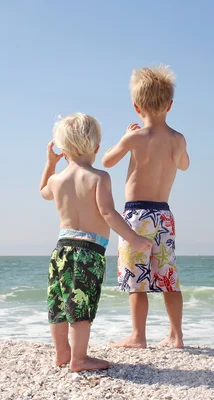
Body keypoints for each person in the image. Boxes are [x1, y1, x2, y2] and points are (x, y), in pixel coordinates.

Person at [40, 113, 152, 371]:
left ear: (63, 149)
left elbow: (43, 191)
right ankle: (79, 358)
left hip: (60, 251)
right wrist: (133, 238)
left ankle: (62, 353)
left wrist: (49, 164)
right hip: (88, 252)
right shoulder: (100, 177)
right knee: (81, 306)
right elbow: (108, 213)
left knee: (57, 304)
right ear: (96, 148)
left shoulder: (57, 181)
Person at [102, 65, 190, 349]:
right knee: (167, 276)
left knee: (136, 277)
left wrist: (124, 137)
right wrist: (177, 151)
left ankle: (138, 336)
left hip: (136, 215)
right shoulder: (177, 139)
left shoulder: (135, 137)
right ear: (170, 105)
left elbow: (107, 161)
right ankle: (176, 336)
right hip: (163, 215)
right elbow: (184, 165)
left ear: (137, 107)